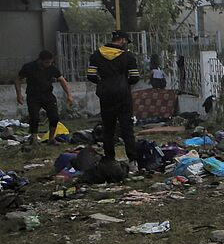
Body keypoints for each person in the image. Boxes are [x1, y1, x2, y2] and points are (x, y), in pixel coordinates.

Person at [87, 31, 140, 164]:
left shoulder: (97, 55)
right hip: (123, 95)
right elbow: (134, 77)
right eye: (126, 41)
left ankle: (109, 158)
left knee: (108, 127)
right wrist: (124, 84)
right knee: (127, 127)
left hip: (105, 95)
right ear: (122, 40)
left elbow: (91, 75)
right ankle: (132, 160)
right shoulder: (128, 56)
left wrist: (103, 83)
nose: (126, 44)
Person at [15, 50, 75, 142]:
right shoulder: (29, 67)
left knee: (54, 117)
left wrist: (69, 95)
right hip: (33, 96)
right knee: (34, 117)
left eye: (51, 62)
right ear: (40, 60)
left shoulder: (52, 68)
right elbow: (18, 80)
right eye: (47, 62)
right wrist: (19, 94)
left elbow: (62, 80)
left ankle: (51, 138)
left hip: (48, 95)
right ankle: (34, 139)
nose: (49, 64)